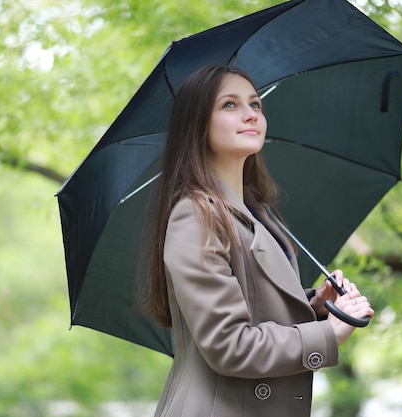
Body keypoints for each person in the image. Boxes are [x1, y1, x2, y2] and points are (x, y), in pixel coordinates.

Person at [147, 64, 374, 417]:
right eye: (230, 105)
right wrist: (329, 334)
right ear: (197, 124)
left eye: (255, 104)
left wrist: (314, 305)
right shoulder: (194, 214)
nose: (251, 114)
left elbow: (255, 305)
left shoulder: (257, 212)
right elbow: (229, 344)